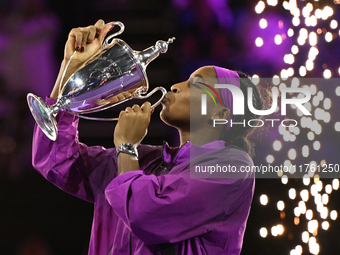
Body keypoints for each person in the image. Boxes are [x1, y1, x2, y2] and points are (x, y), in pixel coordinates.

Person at [32, 20, 264, 255]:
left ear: (220, 114)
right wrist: (70, 71)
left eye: (196, 85)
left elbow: (145, 214)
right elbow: (56, 160)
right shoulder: (149, 159)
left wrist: (126, 148)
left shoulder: (232, 167)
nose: (175, 86)